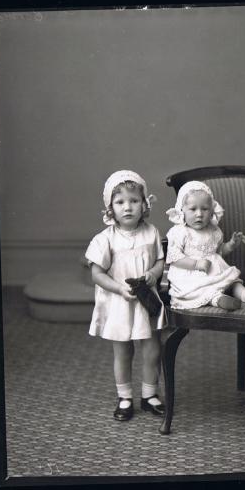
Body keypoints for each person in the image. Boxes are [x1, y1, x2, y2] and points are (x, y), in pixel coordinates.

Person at [85, 170, 167, 422]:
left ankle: (150, 394)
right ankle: (125, 397)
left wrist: (153, 274)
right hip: (120, 302)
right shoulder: (105, 239)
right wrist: (119, 288)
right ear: (110, 208)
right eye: (120, 202)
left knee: (152, 347)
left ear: (144, 204)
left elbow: (160, 261)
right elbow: (97, 274)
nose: (127, 207)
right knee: (123, 351)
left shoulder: (151, 232)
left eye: (134, 201)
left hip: (146, 300)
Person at [165, 180, 245, 311]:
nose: (199, 214)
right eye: (193, 209)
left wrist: (231, 244)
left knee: (232, 281)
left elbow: (219, 251)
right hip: (191, 275)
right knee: (203, 291)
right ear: (182, 211)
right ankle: (218, 300)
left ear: (211, 211)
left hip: (216, 271)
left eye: (204, 209)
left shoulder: (214, 230)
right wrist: (196, 264)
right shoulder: (179, 232)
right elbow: (174, 258)